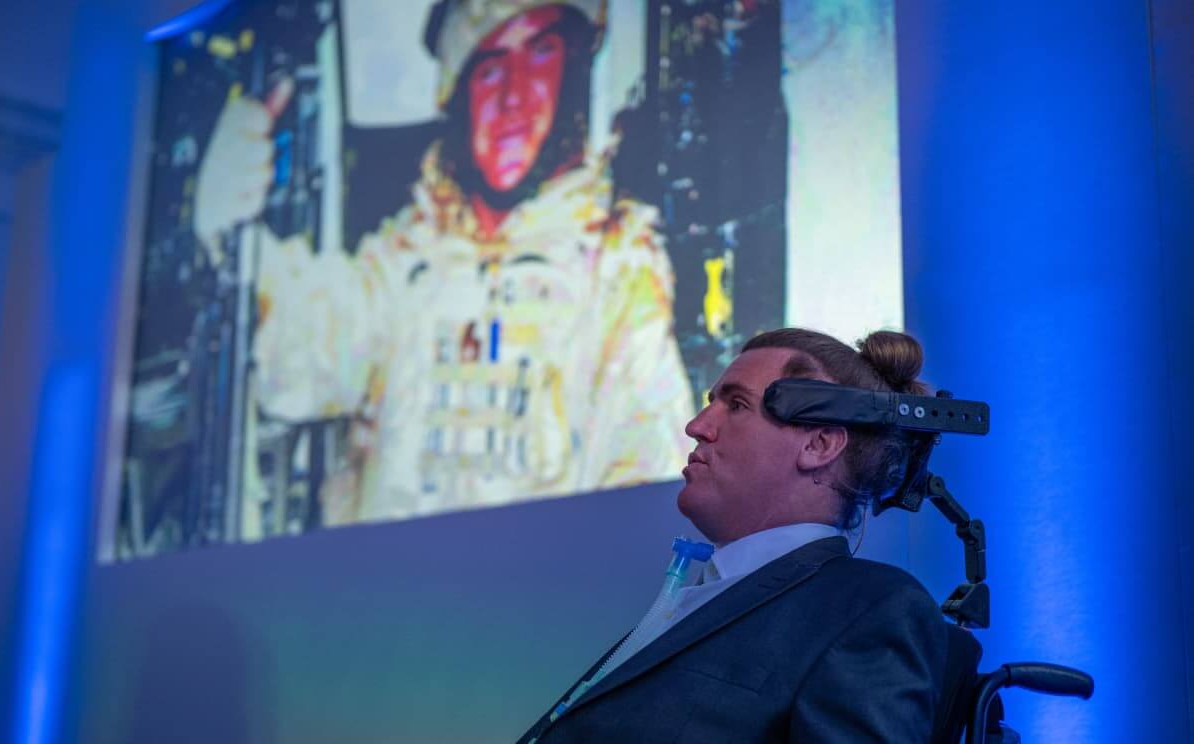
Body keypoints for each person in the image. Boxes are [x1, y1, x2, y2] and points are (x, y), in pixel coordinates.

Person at [192, 0, 694, 525]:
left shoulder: (618, 270)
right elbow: (300, 354)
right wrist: (232, 233)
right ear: (459, 96)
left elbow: (650, 473)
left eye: (542, 53)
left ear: (572, 73)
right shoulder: (408, 261)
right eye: (490, 68)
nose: (514, 96)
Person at [518, 328, 951, 743]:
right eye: (711, 403)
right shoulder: (702, 596)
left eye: (738, 404)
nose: (697, 426)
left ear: (818, 445)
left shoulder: (870, 609)